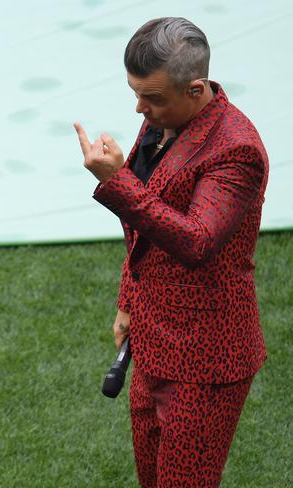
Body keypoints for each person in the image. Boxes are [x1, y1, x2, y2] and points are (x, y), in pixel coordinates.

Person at [73, 17, 268, 487]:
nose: (140, 108)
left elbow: (196, 240)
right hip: (153, 340)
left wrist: (116, 182)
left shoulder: (236, 150)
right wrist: (126, 302)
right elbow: (144, 231)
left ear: (197, 88)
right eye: (136, 93)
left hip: (206, 359)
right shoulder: (164, 121)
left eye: (153, 97)